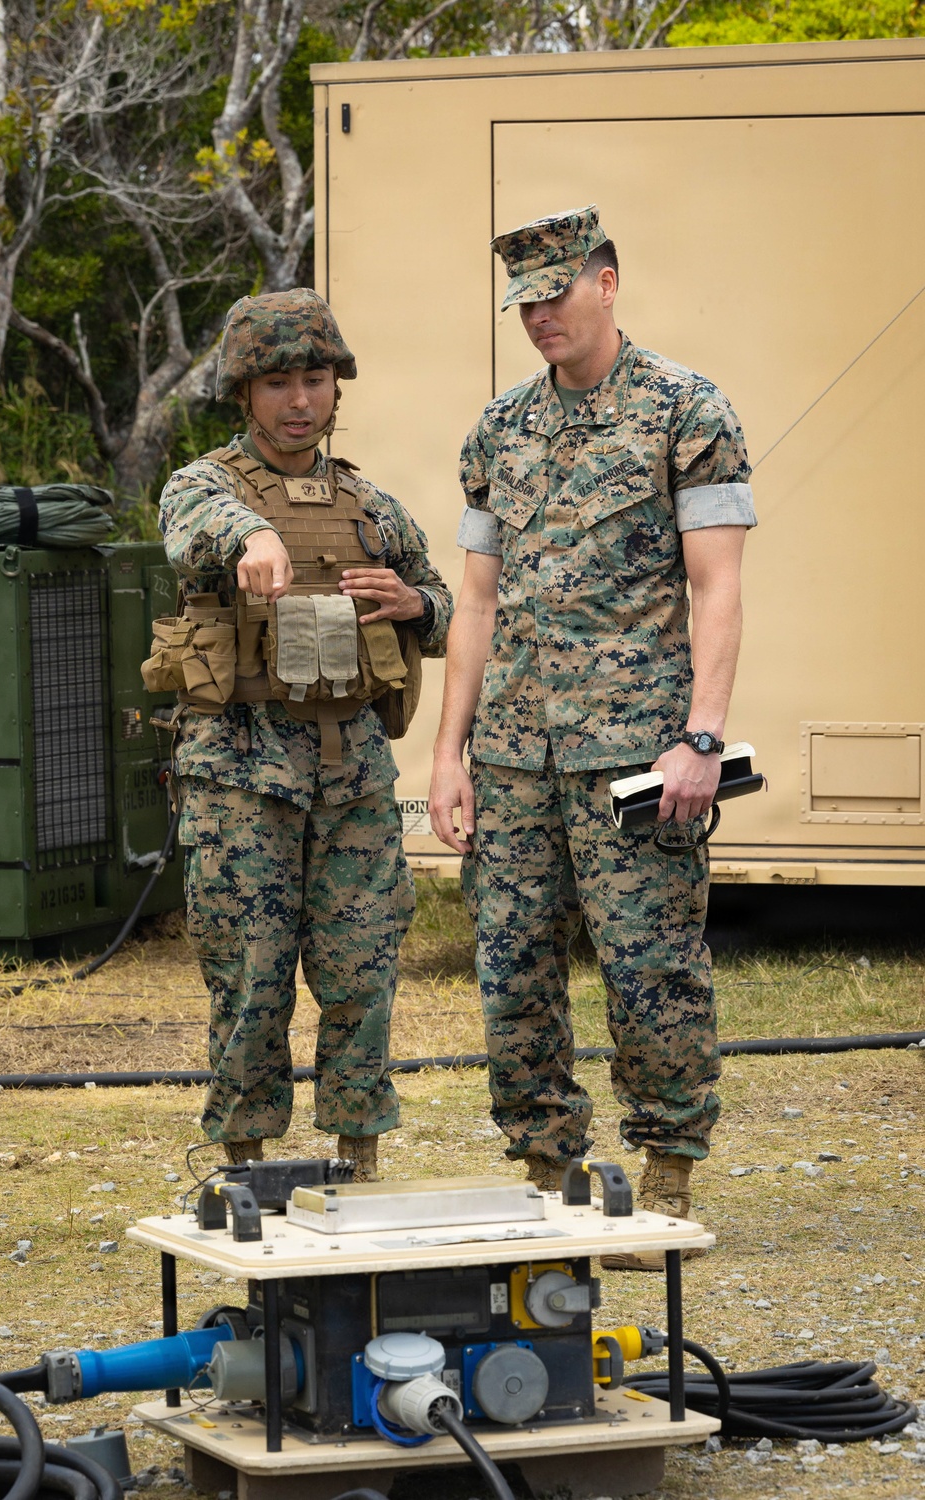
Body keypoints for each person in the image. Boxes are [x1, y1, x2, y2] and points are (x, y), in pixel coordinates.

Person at [429, 206, 755, 1269]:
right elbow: (474, 604)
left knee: (648, 965)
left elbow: (717, 587)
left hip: (638, 751)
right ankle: (545, 1175)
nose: (538, 316)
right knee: (511, 968)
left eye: (555, 293)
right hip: (517, 753)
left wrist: (700, 737)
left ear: (606, 283)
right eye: (523, 300)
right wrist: (448, 755)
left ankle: (663, 1177)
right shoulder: (499, 430)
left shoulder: (685, 411)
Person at [156, 288, 451, 1180]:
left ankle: (359, 1156)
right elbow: (190, 531)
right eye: (277, 382)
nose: (298, 400)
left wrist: (414, 602)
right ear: (244, 393)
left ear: (336, 387)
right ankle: (244, 1158)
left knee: (362, 969)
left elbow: (450, 611)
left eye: (314, 378)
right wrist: (250, 532)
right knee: (250, 972)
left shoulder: (373, 506)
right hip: (242, 772)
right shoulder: (203, 486)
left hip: (353, 772)